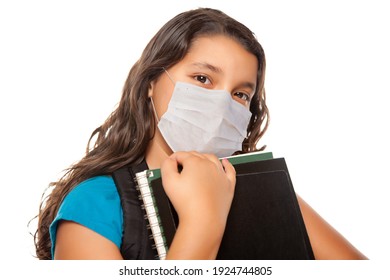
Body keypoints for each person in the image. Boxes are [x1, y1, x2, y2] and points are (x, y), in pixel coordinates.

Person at [33, 7, 367, 260]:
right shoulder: (95, 205)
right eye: (203, 79)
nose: (222, 104)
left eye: (240, 94)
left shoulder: (267, 192)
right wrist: (203, 220)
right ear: (151, 81)